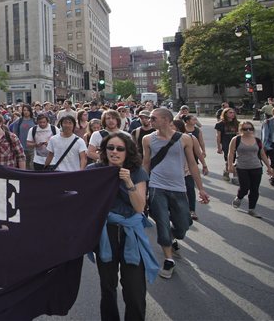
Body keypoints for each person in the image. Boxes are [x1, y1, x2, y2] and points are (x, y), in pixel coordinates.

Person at [86, 133, 158, 321]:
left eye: (120, 149)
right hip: (105, 234)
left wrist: (128, 182)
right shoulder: (94, 169)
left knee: (134, 291)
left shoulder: (136, 171)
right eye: (110, 148)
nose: (114, 152)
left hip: (130, 235)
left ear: (128, 151)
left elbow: (140, 207)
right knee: (108, 288)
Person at [142, 108, 209, 279]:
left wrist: (200, 188)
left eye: (153, 118)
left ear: (166, 119)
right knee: (162, 223)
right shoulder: (148, 139)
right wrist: (142, 189)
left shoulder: (184, 139)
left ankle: (173, 236)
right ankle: (168, 259)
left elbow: (192, 164)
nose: (150, 120)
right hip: (157, 187)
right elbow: (146, 164)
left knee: (183, 225)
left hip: (179, 187)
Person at [229, 121, 273, 217]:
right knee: (244, 188)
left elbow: (262, 154)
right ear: (241, 130)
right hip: (242, 167)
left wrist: (269, 167)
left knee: (254, 189)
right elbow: (231, 153)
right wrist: (230, 165)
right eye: (245, 129)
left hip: (256, 167)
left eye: (250, 129)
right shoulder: (236, 139)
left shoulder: (257, 140)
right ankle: (239, 197)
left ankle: (251, 209)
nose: (248, 131)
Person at [215, 108, 240, 184]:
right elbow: (218, 136)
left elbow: (240, 134)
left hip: (237, 143)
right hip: (226, 144)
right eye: (230, 113)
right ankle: (227, 171)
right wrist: (219, 147)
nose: (232, 114)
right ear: (225, 114)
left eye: (233, 113)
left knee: (237, 160)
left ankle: (235, 177)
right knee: (229, 160)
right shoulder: (220, 124)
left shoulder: (237, 123)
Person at [10, 104, 36, 170]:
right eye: (24, 110)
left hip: (33, 147)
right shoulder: (18, 121)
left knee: (32, 166)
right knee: (24, 168)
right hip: (21, 148)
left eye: (27, 110)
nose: (26, 112)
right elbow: (14, 134)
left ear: (30, 111)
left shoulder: (35, 121)